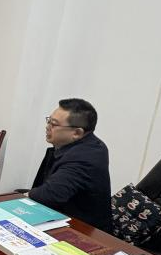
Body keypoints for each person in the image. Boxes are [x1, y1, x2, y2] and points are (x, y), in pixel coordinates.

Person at [29, 98, 111, 230]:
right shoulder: (86, 143)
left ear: (77, 133)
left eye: (53, 124)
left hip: (84, 231)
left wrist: (27, 195)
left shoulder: (86, 156)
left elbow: (50, 195)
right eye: (49, 120)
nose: (47, 126)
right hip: (60, 215)